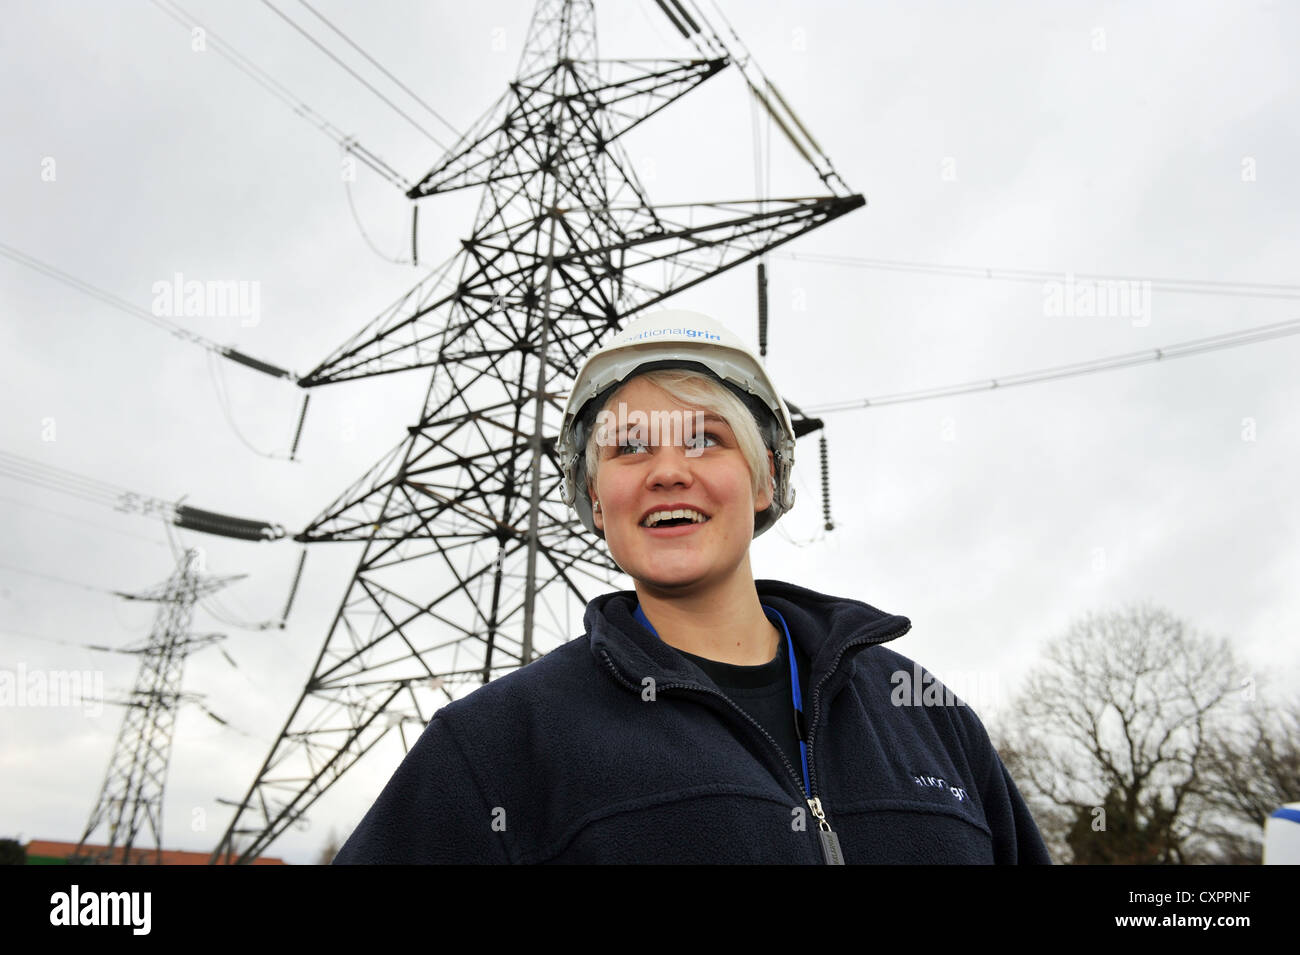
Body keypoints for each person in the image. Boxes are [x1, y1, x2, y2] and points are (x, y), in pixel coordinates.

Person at [333, 308, 1051, 864]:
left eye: (705, 437)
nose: (667, 471)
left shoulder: (925, 715)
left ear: (765, 475)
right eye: (629, 447)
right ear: (592, 495)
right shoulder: (496, 745)